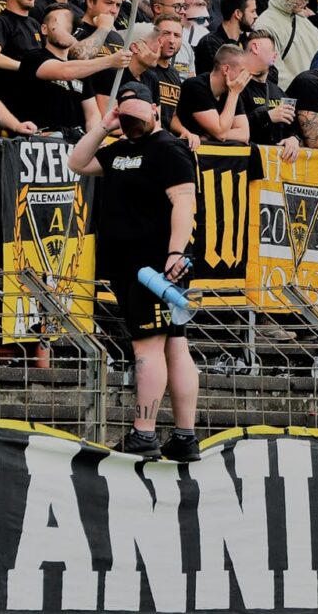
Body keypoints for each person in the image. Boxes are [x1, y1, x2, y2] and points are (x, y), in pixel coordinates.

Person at [69, 82, 200, 460]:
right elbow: (77, 162)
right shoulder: (120, 148)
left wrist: (175, 252)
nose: (131, 121)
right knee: (174, 345)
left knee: (149, 346)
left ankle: (144, 433)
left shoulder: (169, 149)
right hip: (127, 264)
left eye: (137, 113)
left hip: (156, 267)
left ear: (156, 110)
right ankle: (184, 437)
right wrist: (105, 125)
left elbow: (183, 201)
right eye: (125, 114)